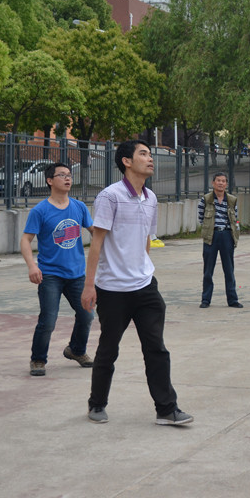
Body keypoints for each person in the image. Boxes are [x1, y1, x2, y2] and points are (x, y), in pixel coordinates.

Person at [81, 139, 193, 426]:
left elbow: (146, 240)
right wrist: (89, 285)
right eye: (143, 154)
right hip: (113, 290)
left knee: (156, 349)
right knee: (108, 349)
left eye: (150, 154)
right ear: (127, 161)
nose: (150, 158)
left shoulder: (151, 198)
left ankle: (166, 409)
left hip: (145, 287)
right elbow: (96, 242)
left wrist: (144, 269)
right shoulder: (110, 196)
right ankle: (97, 404)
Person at [20, 163, 95, 377]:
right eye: (62, 175)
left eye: (69, 175)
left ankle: (76, 350)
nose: (67, 178)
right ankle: (38, 359)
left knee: (87, 315)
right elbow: (26, 240)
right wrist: (32, 266)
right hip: (50, 274)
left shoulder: (79, 207)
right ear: (50, 181)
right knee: (48, 320)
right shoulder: (40, 211)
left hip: (77, 274)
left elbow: (95, 232)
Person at [198, 172, 242, 309]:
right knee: (208, 270)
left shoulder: (232, 200)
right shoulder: (206, 199)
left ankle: (232, 300)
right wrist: (210, 229)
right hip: (211, 236)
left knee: (229, 269)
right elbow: (201, 217)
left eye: (223, 181)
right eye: (218, 180)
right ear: (213, 183)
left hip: (227, 236)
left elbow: (235, 219)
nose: (221, 183)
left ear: (226, 184)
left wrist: (234, 235)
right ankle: (206, 299)